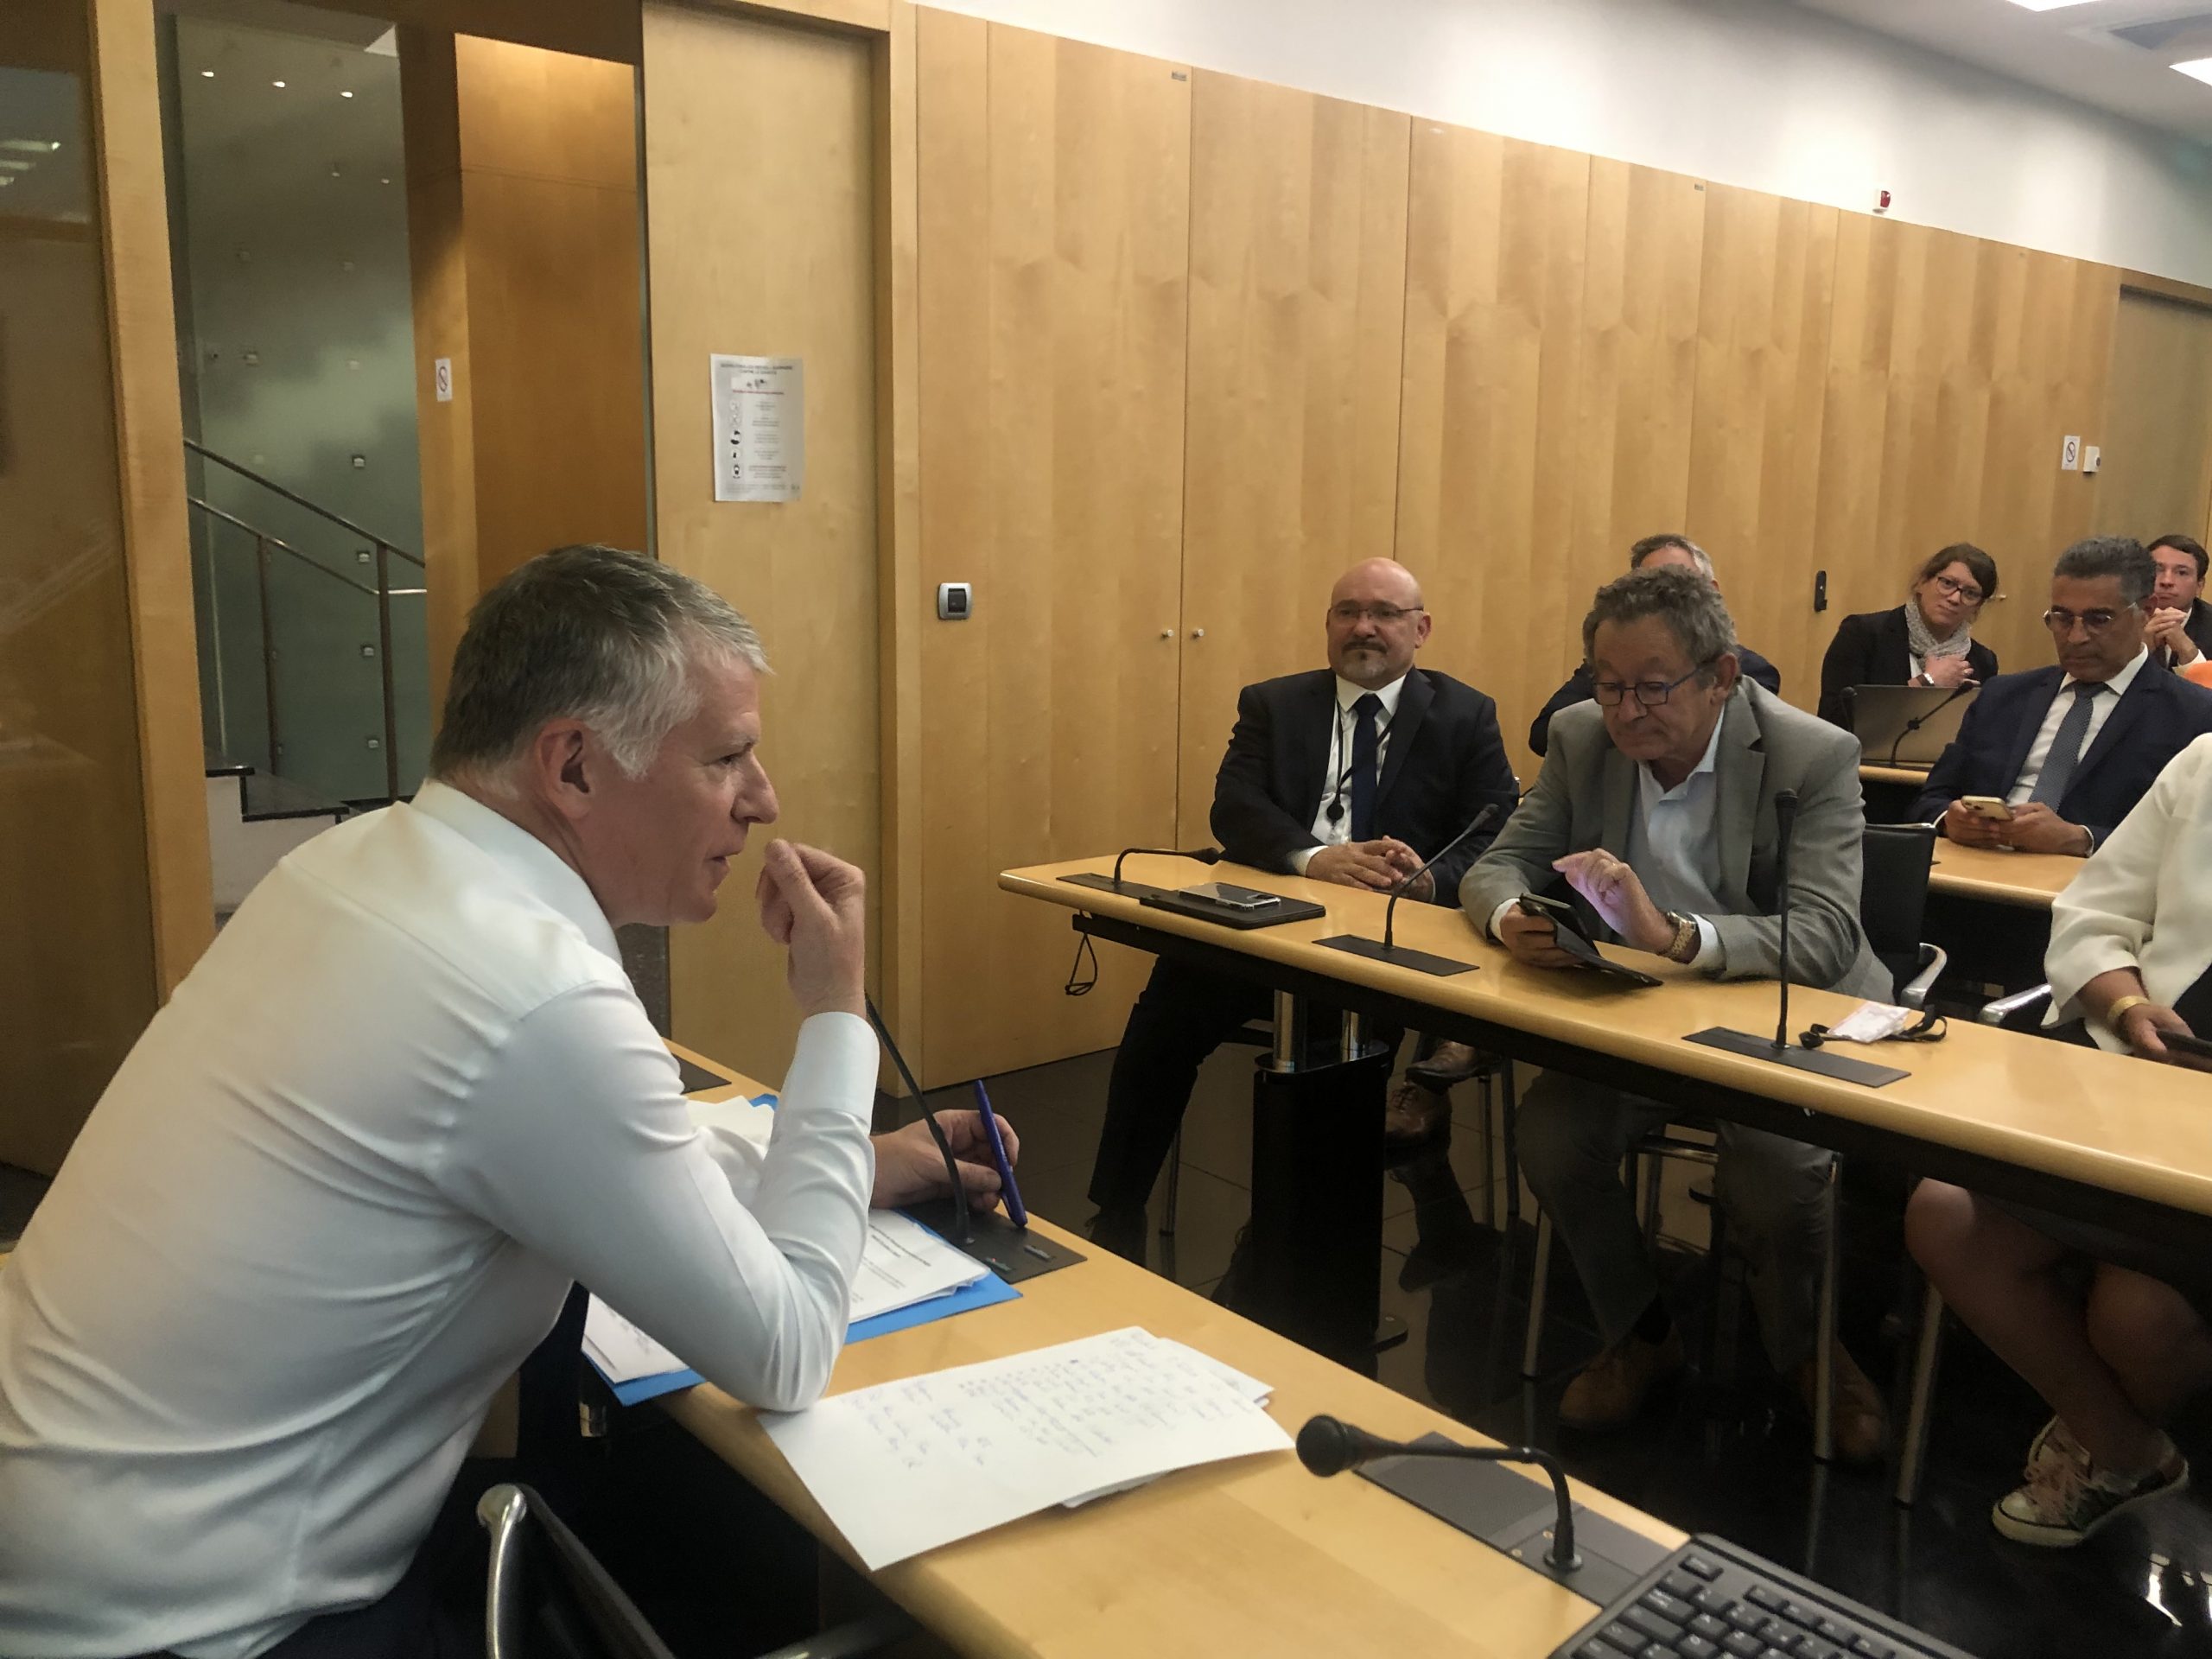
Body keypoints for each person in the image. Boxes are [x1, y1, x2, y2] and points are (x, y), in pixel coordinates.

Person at [0, 547, 1015, 1659]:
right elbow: (786, 1348)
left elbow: (576, 1152)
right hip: (195, 1623)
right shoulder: (535, 992)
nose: (762, 800)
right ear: (572, 765)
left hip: (65, 1534)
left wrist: (857, 1163)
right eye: (727, 758)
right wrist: (834, 1016)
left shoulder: (357, 867)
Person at [1463, 566, 1892, 1460]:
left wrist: (1675, 936)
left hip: (1788, 1010)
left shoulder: (1811, 754)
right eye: (1607, 685)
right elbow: (1499, 864)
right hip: (1648, 1012)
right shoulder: (1580, 737)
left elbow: (1823, 933)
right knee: (1551, 1137)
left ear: (1721, 676)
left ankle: (1807, 1353)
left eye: (1652, 688)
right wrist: (1510, 919)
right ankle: (1640, 1332)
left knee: (1771, 1178)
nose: (1626, 712)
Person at [1086, 558, 1519, 1233]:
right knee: (1159, 1029)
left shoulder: (1465, 715)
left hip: (1380, 944)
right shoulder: (1274, 704)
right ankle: (1116, 1212)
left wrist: (1431, 878)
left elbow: (1495, 829)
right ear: (1328, 625)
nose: (1364, 627)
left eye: (1384, 613)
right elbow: (1234, 807)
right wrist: (1315, 859)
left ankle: (1293, 1241)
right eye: (1348, 612)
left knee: (1343, 1063)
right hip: (1259, 927)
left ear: (1421, 629)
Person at [1905, 734, 2212, 1547]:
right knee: (1945, 1213)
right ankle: (2124, 1447)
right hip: (2138, 1077)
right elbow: (2095, 913)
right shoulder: (2204, 763)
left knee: (2135, 1317)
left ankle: (2102, 1440)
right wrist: (2127, 1007)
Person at [1912, 537, 2212, 856]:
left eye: (2099, 620)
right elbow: (1930, 800)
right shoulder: (2002, 696)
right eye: (2062, 618)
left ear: (2146, 611)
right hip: (1972, 873)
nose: (2076, 637)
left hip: (2094, 880)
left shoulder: (2193, 715)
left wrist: (2083, 839)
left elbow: (2196, 841)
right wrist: (1949, 821)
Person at [1527, 534, 1782, 759]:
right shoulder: (1612, 665)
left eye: (1653, 687)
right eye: (1650, 590)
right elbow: (1543, 734)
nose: (1661, 604)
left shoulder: (1752, 673)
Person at [1815, 543, 2001, 728]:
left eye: (1970, 593)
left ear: (1978, 606)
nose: (1954, 599)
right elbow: (1834, 719)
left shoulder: (1983, 661)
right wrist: (1927, 683)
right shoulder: (1862, 634)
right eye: (1947, 583)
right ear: (1922, 583)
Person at [2146, 531, 2212, 671]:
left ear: (2199, 585)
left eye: (2182, 572)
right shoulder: (2118, 618)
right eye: (2158, 570)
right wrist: (2137, 653)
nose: (2166, 581)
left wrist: (2189, 653)